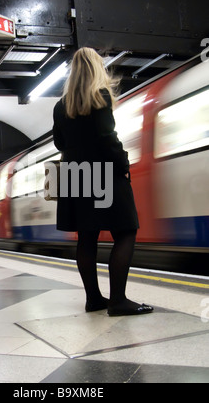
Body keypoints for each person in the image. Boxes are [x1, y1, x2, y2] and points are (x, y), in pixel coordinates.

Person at [53, 47, 153, 317]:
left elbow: (59, 143)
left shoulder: (60, 106)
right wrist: (123, 162)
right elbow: (107, 137)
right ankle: (118, 300)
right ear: (97, 68)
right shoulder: (101, 95)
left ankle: (94, 299)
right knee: (126, 231)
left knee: (86, 237)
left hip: (74, 173)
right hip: (102, 171)